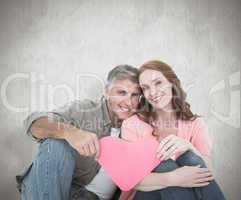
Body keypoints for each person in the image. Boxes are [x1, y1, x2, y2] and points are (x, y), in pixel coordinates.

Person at [16, 64, 214, 200]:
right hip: (57, 189)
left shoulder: (142, 126)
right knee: (55, 144)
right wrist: (71, 133)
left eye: (135, 95)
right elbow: (34, 122)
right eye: (121, 93)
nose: (128, 102)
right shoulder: (85, 110)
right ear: (106, 91)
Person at [119, 60, 226, 200]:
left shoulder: (196, 124)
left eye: (158, 83)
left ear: (171, 83)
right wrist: (172, 178)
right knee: (164, 164)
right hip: (145, 195)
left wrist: (190, 147)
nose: (152, 92)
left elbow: (209, 173)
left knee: (190, 157)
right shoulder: (132, 125)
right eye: (145, 88)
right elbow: (130, 180)